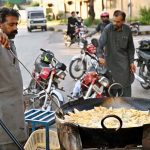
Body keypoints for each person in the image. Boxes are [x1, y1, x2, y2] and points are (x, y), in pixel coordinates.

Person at [0, 8, 27, 150]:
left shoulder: (9, 43)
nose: (15, 28)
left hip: (16, 111)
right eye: (11, 24)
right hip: (4, 117)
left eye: (16, 24)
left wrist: (21, 97)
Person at [98, 10, 136, 97]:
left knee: (126, 98)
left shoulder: (127, 30)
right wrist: (100, 56)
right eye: (114, 20)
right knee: (111, 98)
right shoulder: (108, 29)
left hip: (124, 67)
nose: (115, 23)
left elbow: (130, 48)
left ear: (123, 21)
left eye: (118, 21)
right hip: (110, 66)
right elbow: (100, 45)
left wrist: (131, 62)